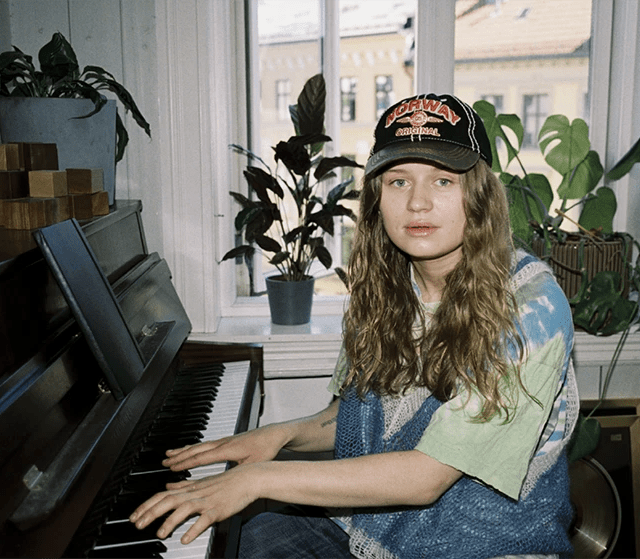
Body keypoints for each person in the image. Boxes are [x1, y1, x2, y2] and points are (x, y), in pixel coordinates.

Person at [130, 93, 579, 558]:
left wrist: (259, 477)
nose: (418, 203)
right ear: (376, 199)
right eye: (398, 181)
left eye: (443, 181)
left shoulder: (532, 307)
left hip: (489, 543)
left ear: (480, 195)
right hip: (377, 529)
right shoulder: (384, 290)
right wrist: (282, 435)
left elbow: (427, 476)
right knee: (253, 541)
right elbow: (364, 415)